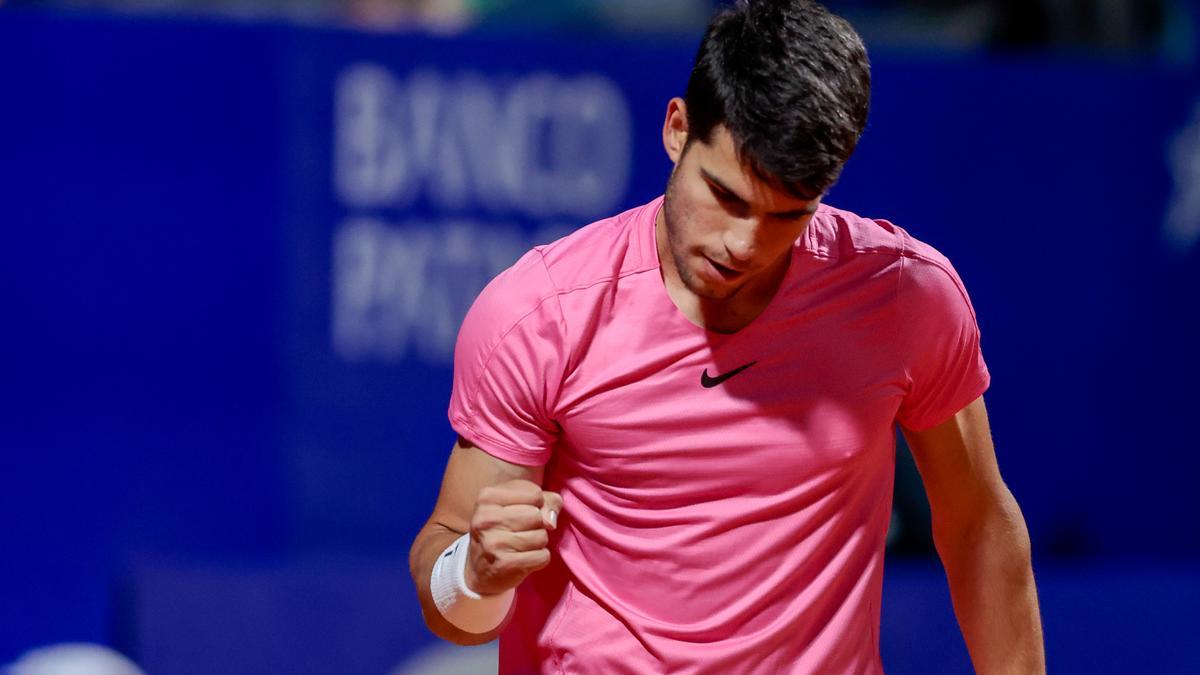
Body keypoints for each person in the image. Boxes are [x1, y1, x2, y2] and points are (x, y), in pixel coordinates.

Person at [409, 1, 1045, 672]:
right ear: (677, 130)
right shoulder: (539, 314)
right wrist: (474, 571)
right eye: (727, 196)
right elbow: (451, 607)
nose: (744, 243)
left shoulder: (904, 297)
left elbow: (978, 527)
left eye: (786, 216)